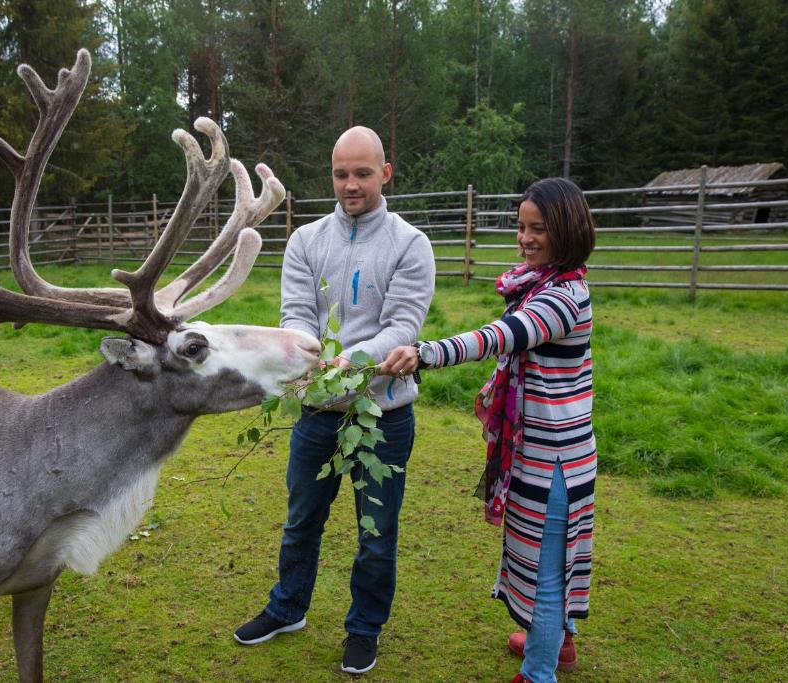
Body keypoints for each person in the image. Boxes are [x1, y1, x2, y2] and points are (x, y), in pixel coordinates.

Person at [233, 126, 435, 675]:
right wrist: (307, 350)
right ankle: (288, 608)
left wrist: (351, 359)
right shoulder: (306, 240)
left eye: (363, 173)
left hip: (383, 418)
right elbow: (295, 312)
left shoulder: (410, 244)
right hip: (319, 414)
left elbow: (402, 327)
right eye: (342, 174)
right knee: (302, 520)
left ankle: (364, 628)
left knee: (376, 531)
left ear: (385, 173)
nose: (351, 184)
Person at [380, 177, 596, 683]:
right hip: (537, 450)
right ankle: (559, 639)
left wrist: (426, 352)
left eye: (538, 229)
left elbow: (501, 337)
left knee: (546, 567)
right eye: (521, 227)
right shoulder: (538, 284)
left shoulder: (565, 296)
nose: (525, 238)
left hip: (556, 459)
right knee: (546, 553)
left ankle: (539, 671)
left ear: (566, 230)